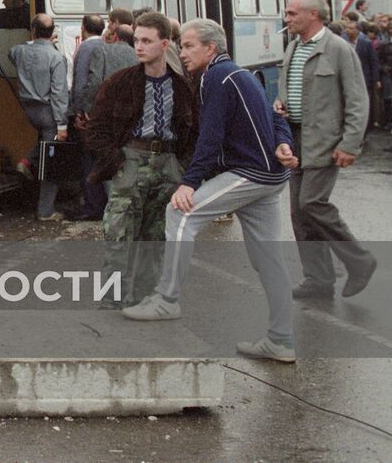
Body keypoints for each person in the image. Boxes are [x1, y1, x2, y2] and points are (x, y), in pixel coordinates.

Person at [122, 18, 298, 364]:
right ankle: (280, 340)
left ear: (210, 48)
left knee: (179, 213)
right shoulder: (242, 73)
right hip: (270, 176)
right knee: (268, 260)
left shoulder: (216, 77)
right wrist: (284, 145)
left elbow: (211, 135)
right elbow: (276, 116)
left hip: (249, 174)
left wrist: (190, 182)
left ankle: (166, 300)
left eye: (188, 46)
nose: (181, 52)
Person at [84, 12, 197, 308]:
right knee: (118, 233)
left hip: (167, 163)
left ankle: (147, 296)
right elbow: (95, 130)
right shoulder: (120, 83)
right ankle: (111, 298)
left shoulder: (183, 87)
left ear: (165, 44)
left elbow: (194, 131)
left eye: (147, 41)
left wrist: (181, 167)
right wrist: (117, 160)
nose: (139, 47)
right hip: (130, 160)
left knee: (155, 238)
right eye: (137, 40)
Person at [278, 0, 376, 300]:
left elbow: (358, 101)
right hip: (295, 142)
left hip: (324, 142)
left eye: (293, 13)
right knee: (299, 213)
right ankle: (318, 280)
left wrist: (349, 144)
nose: (287, 18)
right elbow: (290, 91)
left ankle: (359, 260)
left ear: (313, 15)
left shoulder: (338, 49)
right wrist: (281, 104)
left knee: (312, 204)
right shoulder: (293, 48)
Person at [9, 14, 70, 220]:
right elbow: (59, 93)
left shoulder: (19, 51)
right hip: (49, 113)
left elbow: (11, 53)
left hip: (29, 110)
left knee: (45, 147)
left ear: (32, 31)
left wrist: (33, 41)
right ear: (52, 33)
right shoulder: (56, 57)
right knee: (53, 163)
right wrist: (62, 124)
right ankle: (45, 211)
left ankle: (27, 161)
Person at [68, 14, 108, 220]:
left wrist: (78, 111)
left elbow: (82, 82)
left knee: (87, 161)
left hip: (87, 114)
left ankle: (92, 206)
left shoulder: (85, 48)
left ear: (83, 28)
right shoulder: (104, 45)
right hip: (101, 112)